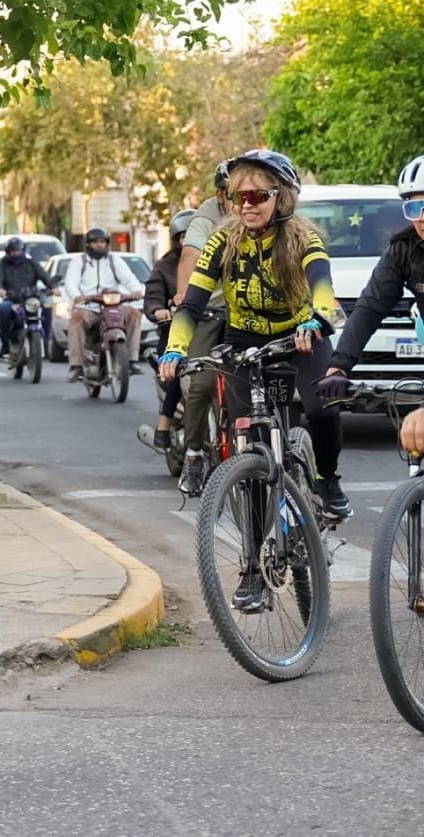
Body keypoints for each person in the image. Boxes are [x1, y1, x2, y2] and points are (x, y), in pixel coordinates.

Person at [159, 149, 352, 605]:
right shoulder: (221, 243)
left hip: (301, 334)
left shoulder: (304, 238)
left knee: (322, 405)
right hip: (244, 341)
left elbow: (323, 291)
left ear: (280, 198)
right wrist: (175, 347)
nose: (247, 204)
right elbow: (191, 304)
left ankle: (327, 477)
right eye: (237, 195)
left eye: (258, 195)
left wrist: (317, 321)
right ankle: (252, 570)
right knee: (245, 450)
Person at [316, 155, 424, 437]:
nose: (422, 217)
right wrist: (339, 366)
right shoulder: (403, 250)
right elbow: (370, 308)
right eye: (414, 207)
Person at [171, 161, 233, 495]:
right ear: (220, 194)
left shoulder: (267, 214)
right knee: (202, 380)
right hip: (209, 306)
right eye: (235, 195)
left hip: (248, 310)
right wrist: (184, 297)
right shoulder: (206, 217)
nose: (244, 203)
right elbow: (190, 256)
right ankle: (194, 453)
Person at [137, 209, 195, 452]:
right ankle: (163, 424)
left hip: (211, 329)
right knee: (176, 366)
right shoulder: (163, 267)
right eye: (183, 237)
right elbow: (152, 297)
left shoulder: (213, 261)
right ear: (175, 239)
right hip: (174, 332)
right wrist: (158, 310)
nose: (188, 242)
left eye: (192, 237)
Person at [64, 227, 145, 382]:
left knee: (134, 314)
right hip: (89, 307)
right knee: (75, 319)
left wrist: (136, 291)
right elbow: (70, 284)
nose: (99, 245)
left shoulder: (114, 260)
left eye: (102, 242)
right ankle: (76, 366)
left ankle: (132, 360)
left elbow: (129, 279)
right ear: (88, 245)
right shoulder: (79, 262)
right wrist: (77, 296)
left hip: (113, 306)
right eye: (95, 242)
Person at [0, 236, 57, 360]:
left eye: (18, 250)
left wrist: (53, 287)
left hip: (31, 298)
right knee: (4, 309)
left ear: (23, 250)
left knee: (47, 307)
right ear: (8, 252)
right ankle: (5, 344)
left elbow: (44, 276)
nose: (16, 253)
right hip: (12, 298)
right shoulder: (3, 264)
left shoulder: (31, 263)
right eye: (13, 251)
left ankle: (46, 341)